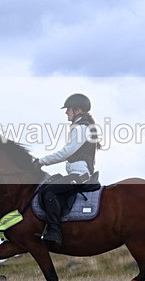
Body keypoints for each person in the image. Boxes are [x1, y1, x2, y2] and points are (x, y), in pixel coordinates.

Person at [32, 93, 100, 248]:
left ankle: (54, 232)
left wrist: (42, 161)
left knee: (48, 192)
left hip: (79, 175)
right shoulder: (82, 126)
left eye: (68, 109)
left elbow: (66, 152)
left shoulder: (82, 128)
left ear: (76, 110)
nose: (66, 112)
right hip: (75, 172)